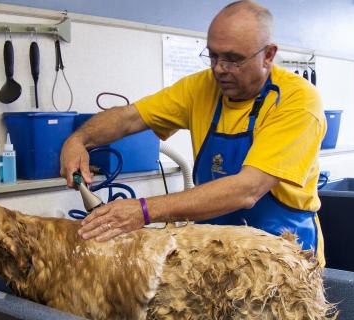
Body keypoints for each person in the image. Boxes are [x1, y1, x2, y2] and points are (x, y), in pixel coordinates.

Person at [60, 0, 326, 266]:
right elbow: (130, 118)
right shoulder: (201, 87)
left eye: (233, 59)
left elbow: (248, 189)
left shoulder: (298, 101)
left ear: (268, 55)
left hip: (281, 258)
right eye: (213, 56)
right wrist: (79, 139)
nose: (220, 68)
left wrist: (143, 211)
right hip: (214, 253)